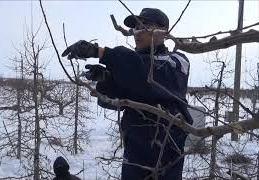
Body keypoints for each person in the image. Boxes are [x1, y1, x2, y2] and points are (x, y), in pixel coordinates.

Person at [62, 8, 193, 180]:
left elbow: (147, 73)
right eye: (135, 28)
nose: (137, 33)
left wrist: (100, 52)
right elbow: (113, 102)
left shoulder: (177, 61)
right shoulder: (129, 68)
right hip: (134, 155)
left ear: (163, 32)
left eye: (144, 26)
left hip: (166, 154)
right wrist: (106, 79)